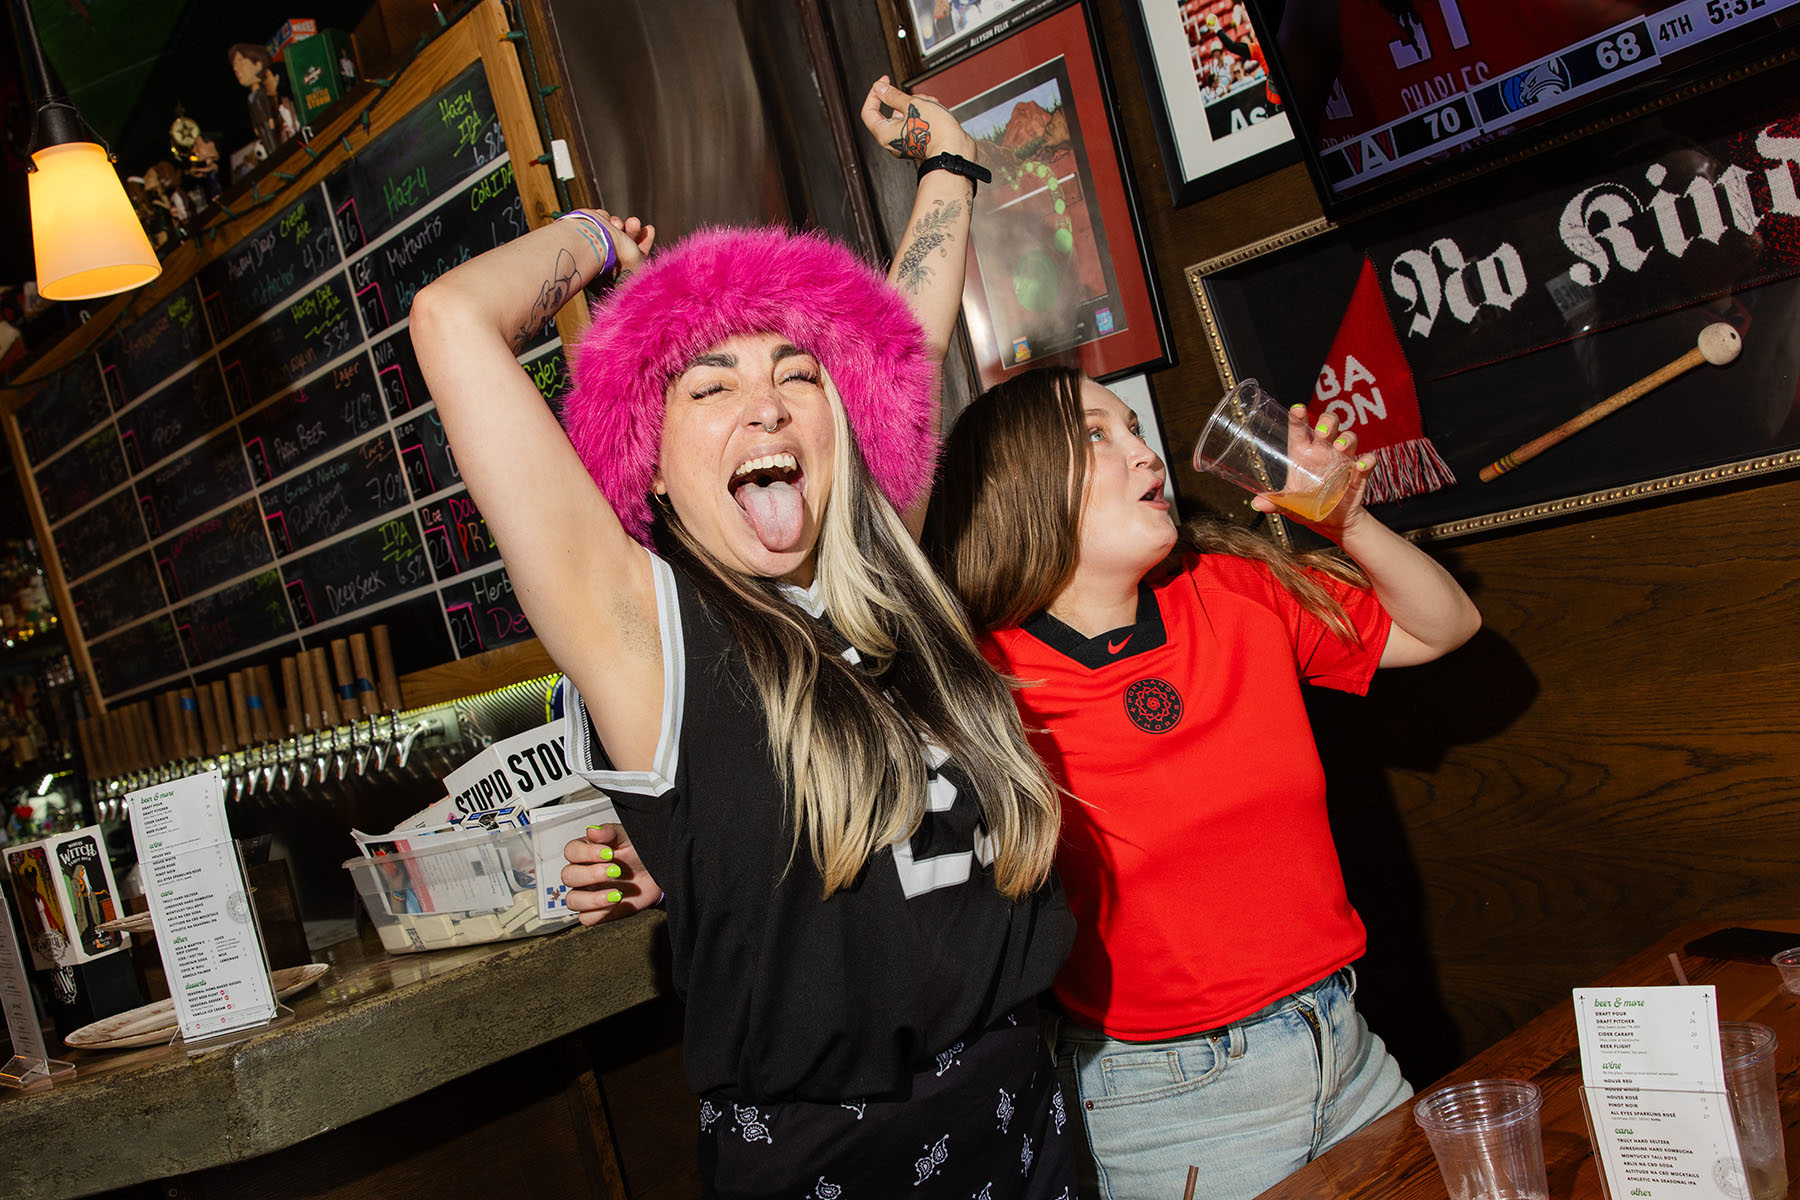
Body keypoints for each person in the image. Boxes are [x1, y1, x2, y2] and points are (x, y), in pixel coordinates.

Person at [411, 79, 1078, 1197]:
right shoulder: (648, 635)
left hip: (1023, 1113)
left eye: (798, 377)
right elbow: (449, 320)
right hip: (839, 1165)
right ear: (654, 469)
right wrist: (592, 241)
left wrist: (952, 168)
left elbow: (901, 332)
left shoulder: (887, 577)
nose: (766, 408)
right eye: (708, 388)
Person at [927, 367, 1481, 1200]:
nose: (1144, 451)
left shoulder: (1233, 587)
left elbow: (1444, 625)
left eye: (1134, 427)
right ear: (1017, 482)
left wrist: (1349, 520)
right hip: (1169, 1103)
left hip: (1345, 1045)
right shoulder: (982, 675)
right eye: (1096, 434)